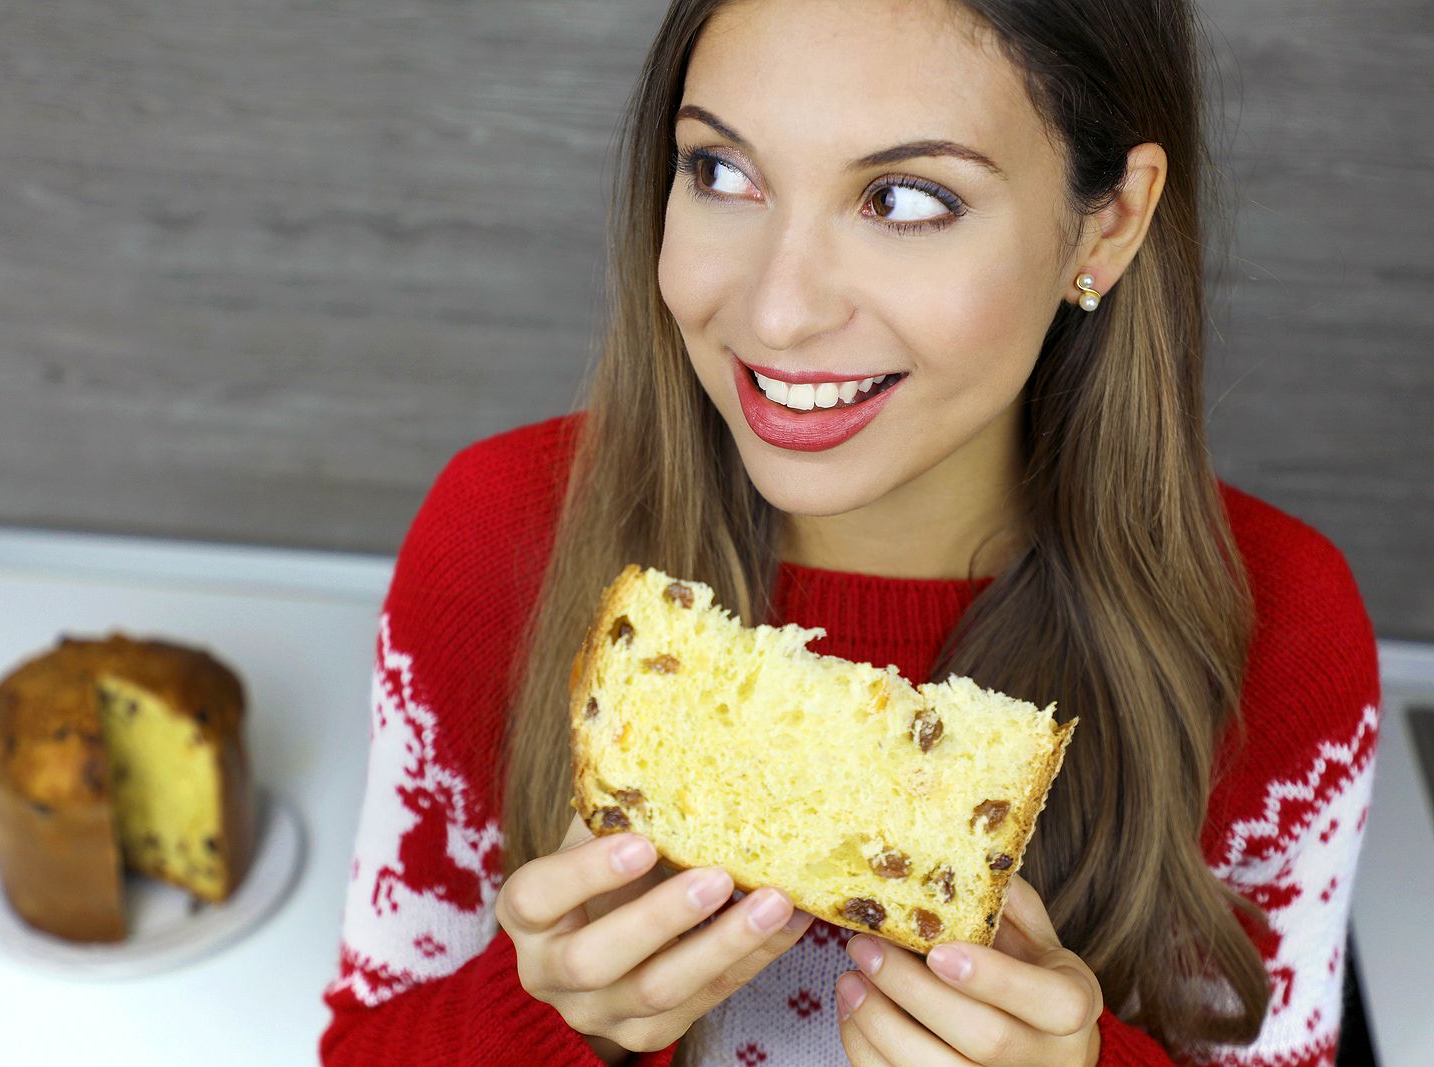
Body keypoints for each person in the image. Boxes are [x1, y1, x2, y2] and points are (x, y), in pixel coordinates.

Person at [318, 0, 1380, 1064]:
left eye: (904, 199)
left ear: (1106, 224)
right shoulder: (501, 532)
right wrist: (550, 1014)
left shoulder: (1277, 623)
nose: (777, 312)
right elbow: (364, 1041)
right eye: (721, 173)